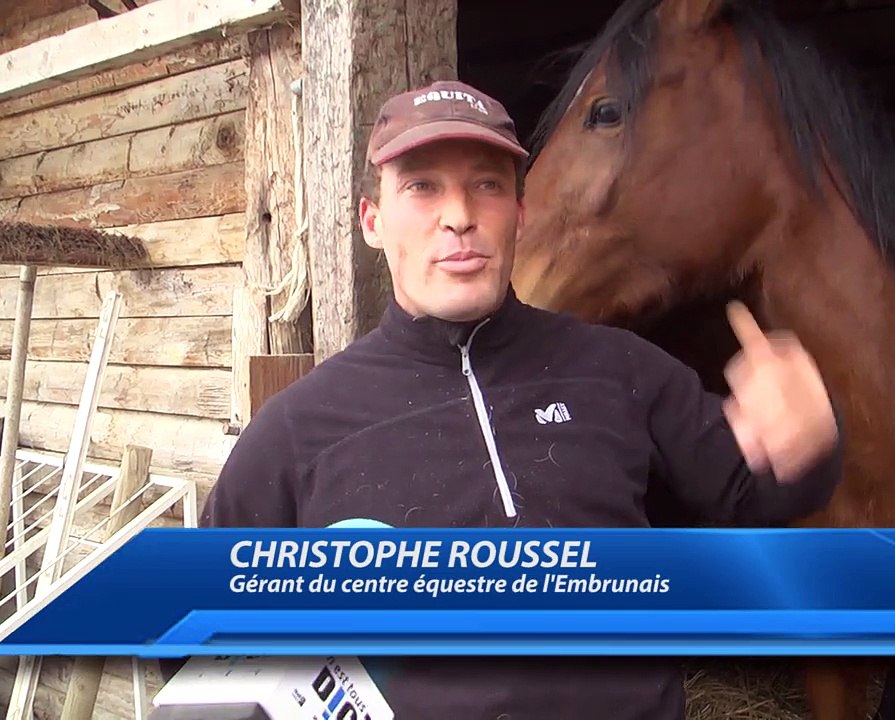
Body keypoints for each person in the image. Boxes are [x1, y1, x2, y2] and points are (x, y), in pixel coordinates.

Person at [198, 80, 845, 720]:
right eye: (422, 186)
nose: (458, 215)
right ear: (373, 220)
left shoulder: (618, 369)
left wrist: (805, 446)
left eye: (487, 184)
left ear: (521, 212)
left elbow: (752, 490)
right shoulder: (297, 433)